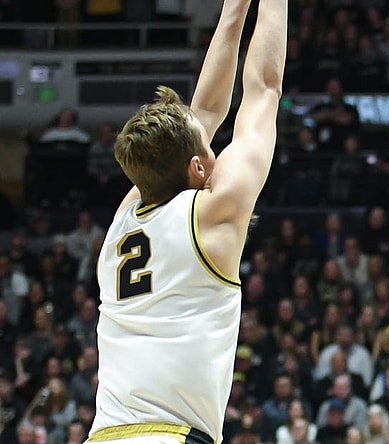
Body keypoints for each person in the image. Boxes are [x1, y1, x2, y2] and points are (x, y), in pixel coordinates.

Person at [87, 0, 286, 442]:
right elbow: (264, 89)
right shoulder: (213, 212)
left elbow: (205, 113)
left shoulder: (121, 223)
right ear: (196, 167)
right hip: (171, 435)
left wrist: (234, 8)